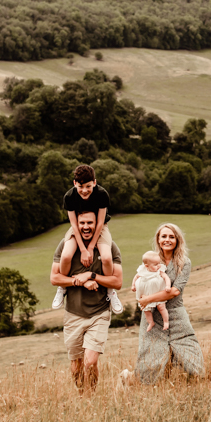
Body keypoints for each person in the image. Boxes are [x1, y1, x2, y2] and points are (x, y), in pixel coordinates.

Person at [118, 223, 204, 387]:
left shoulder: (184, 263)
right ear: (158, 239)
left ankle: (190, 382)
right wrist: (139, 292)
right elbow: (140, 279)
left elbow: (174, 291)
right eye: (163, 236)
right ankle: (128, 379)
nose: (167, 240)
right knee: (150, 360)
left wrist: (147, 299)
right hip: (153, 316)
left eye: (171, 237)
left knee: (193, 360)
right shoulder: (150, 260)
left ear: (177, 240)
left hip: (177, 314)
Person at [50, 210, 123, 395]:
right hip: (73, 314)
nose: (86, 227)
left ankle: (91, 397)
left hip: (99, 313)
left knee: (90, 362)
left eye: (90, 223)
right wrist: (78, 281)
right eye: (82, 223)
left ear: (97, 224)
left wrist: (91, 276)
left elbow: (117, 282)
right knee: (76, 365)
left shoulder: (109, 247)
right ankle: (82, 396)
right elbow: (55, 278)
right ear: (76, 225)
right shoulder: (66, 246)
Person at [52, 164, 122, 312]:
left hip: (99, 227)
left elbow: (101, 222)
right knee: (65, 256)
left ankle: (111, 292)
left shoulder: (102, 194)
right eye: (80, 186)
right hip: (77, 227)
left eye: (88, 186)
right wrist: (83, 249)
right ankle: (62, 288)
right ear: (74, 183)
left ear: (94, 183)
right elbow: (73, 224)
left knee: (107, 258)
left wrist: (91, 247)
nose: (84, 190)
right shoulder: (69, 197)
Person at [131, 250, 172, 332]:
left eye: (159, 263)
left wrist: (168, 286)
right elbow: (136, 277)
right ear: (146, 266)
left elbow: (166, 277)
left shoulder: (159, 271)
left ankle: (166, 321)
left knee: (161, 307)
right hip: (146, 293)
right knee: (146, 309)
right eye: (156, 264)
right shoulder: (143, 271)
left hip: (158, 293)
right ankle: (151, 322)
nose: (159, 266)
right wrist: (133, 285)